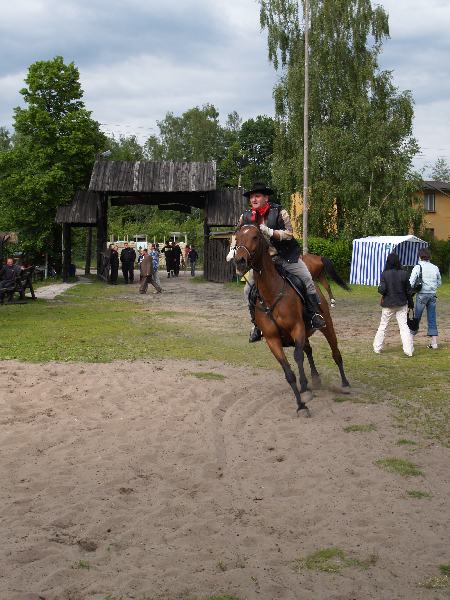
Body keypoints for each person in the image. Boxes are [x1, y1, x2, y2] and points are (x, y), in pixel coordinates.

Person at [234, 182, 326, 342]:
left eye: (257, 196)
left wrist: (270, 232)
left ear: (266, 198)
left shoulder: (279, 212)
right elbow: (237, 234)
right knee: (247, 290)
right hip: (263, 263)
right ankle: (256, 324)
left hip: (285, 256)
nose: (254, 199)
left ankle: (314, 315)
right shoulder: (246, 216)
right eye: (252, 197)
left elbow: (289, 234)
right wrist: (233, 249)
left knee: (307, 278)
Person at [373, 252, 414, 357]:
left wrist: (379, 288)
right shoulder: (404, 273)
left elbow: (382, 290)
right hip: (401, 303)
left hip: (388, 304)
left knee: (383, 325)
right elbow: (408, 291)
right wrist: (411, 304)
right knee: (404, 326)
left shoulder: (385, 274)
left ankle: (377, 348)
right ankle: (408, 350)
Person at [409, 248, 441, 349]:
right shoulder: (435, 267)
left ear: (420, 256)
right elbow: (439, 283)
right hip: (432, 295)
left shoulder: (418, 267)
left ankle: (410, 341)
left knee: (416, 318)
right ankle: (434, 343)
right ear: (429, 256)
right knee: (432, 318)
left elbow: (411, 282)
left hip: (422, 295)